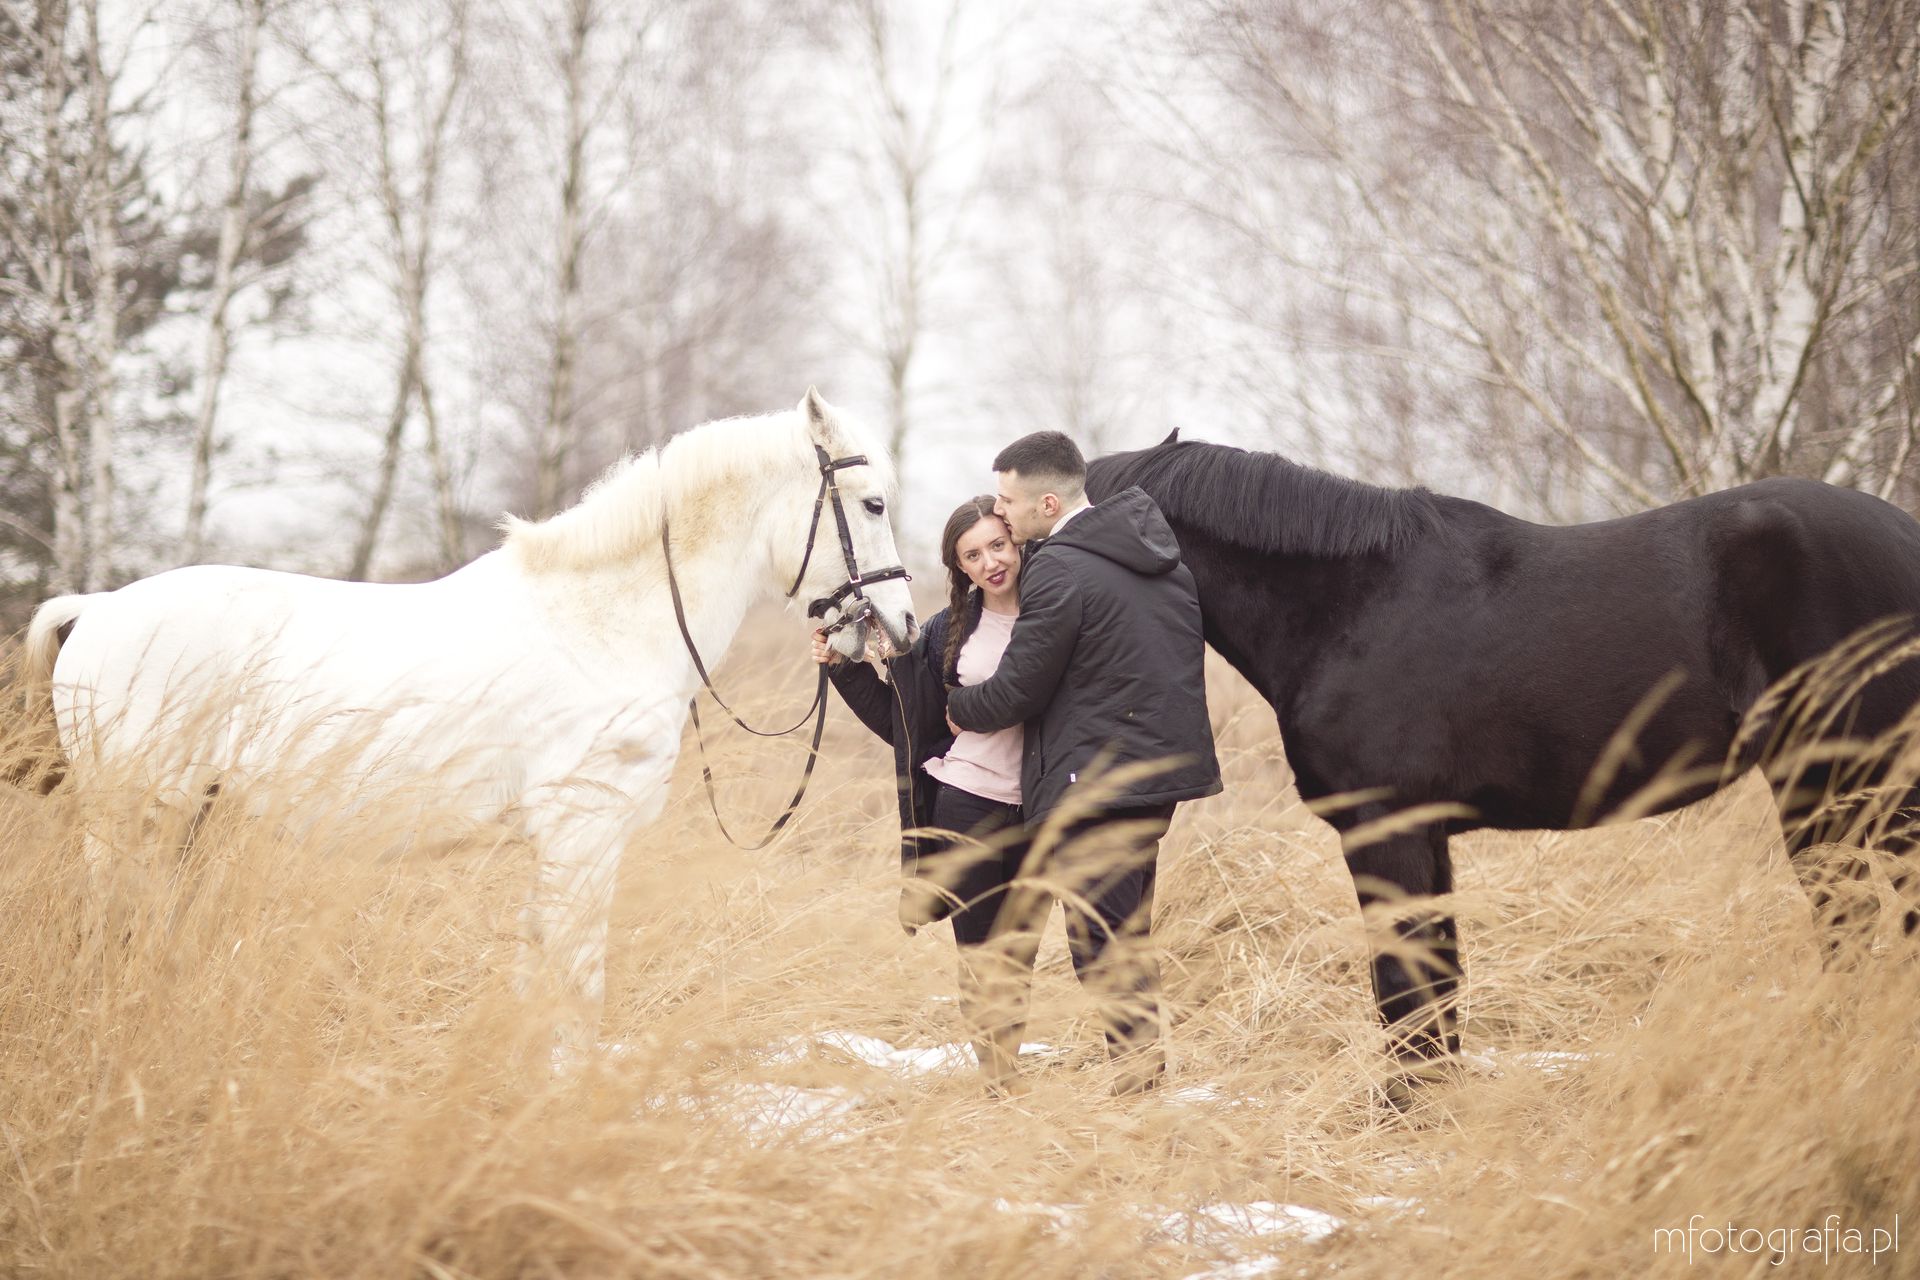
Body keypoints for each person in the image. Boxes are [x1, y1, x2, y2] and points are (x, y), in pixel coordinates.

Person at [944, 430, 1221, 1094]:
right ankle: (1140, 1085)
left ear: (1047, 502)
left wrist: (960, 707)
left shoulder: (1063, 568)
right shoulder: (1156, 558)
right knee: (1121, 938)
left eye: (1008, 501)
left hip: (1094, 784)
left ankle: (1140, 1092)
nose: (1001, 511)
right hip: (1152, 779)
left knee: (1104, 950)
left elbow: (1018, 689)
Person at [812, 495, 1036, 1092]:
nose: (990, 562)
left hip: (1040, 807)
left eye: (997, 545)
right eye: (972, 555)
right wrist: (843, 667)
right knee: (983, 954)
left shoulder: (1054, 612)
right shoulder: (947, 631)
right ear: (959, 567)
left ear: (1017, 542)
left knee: (1023, 951)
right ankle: (1001, 1082)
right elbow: (905, 723)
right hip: (968, 806)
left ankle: (1009, 1073)